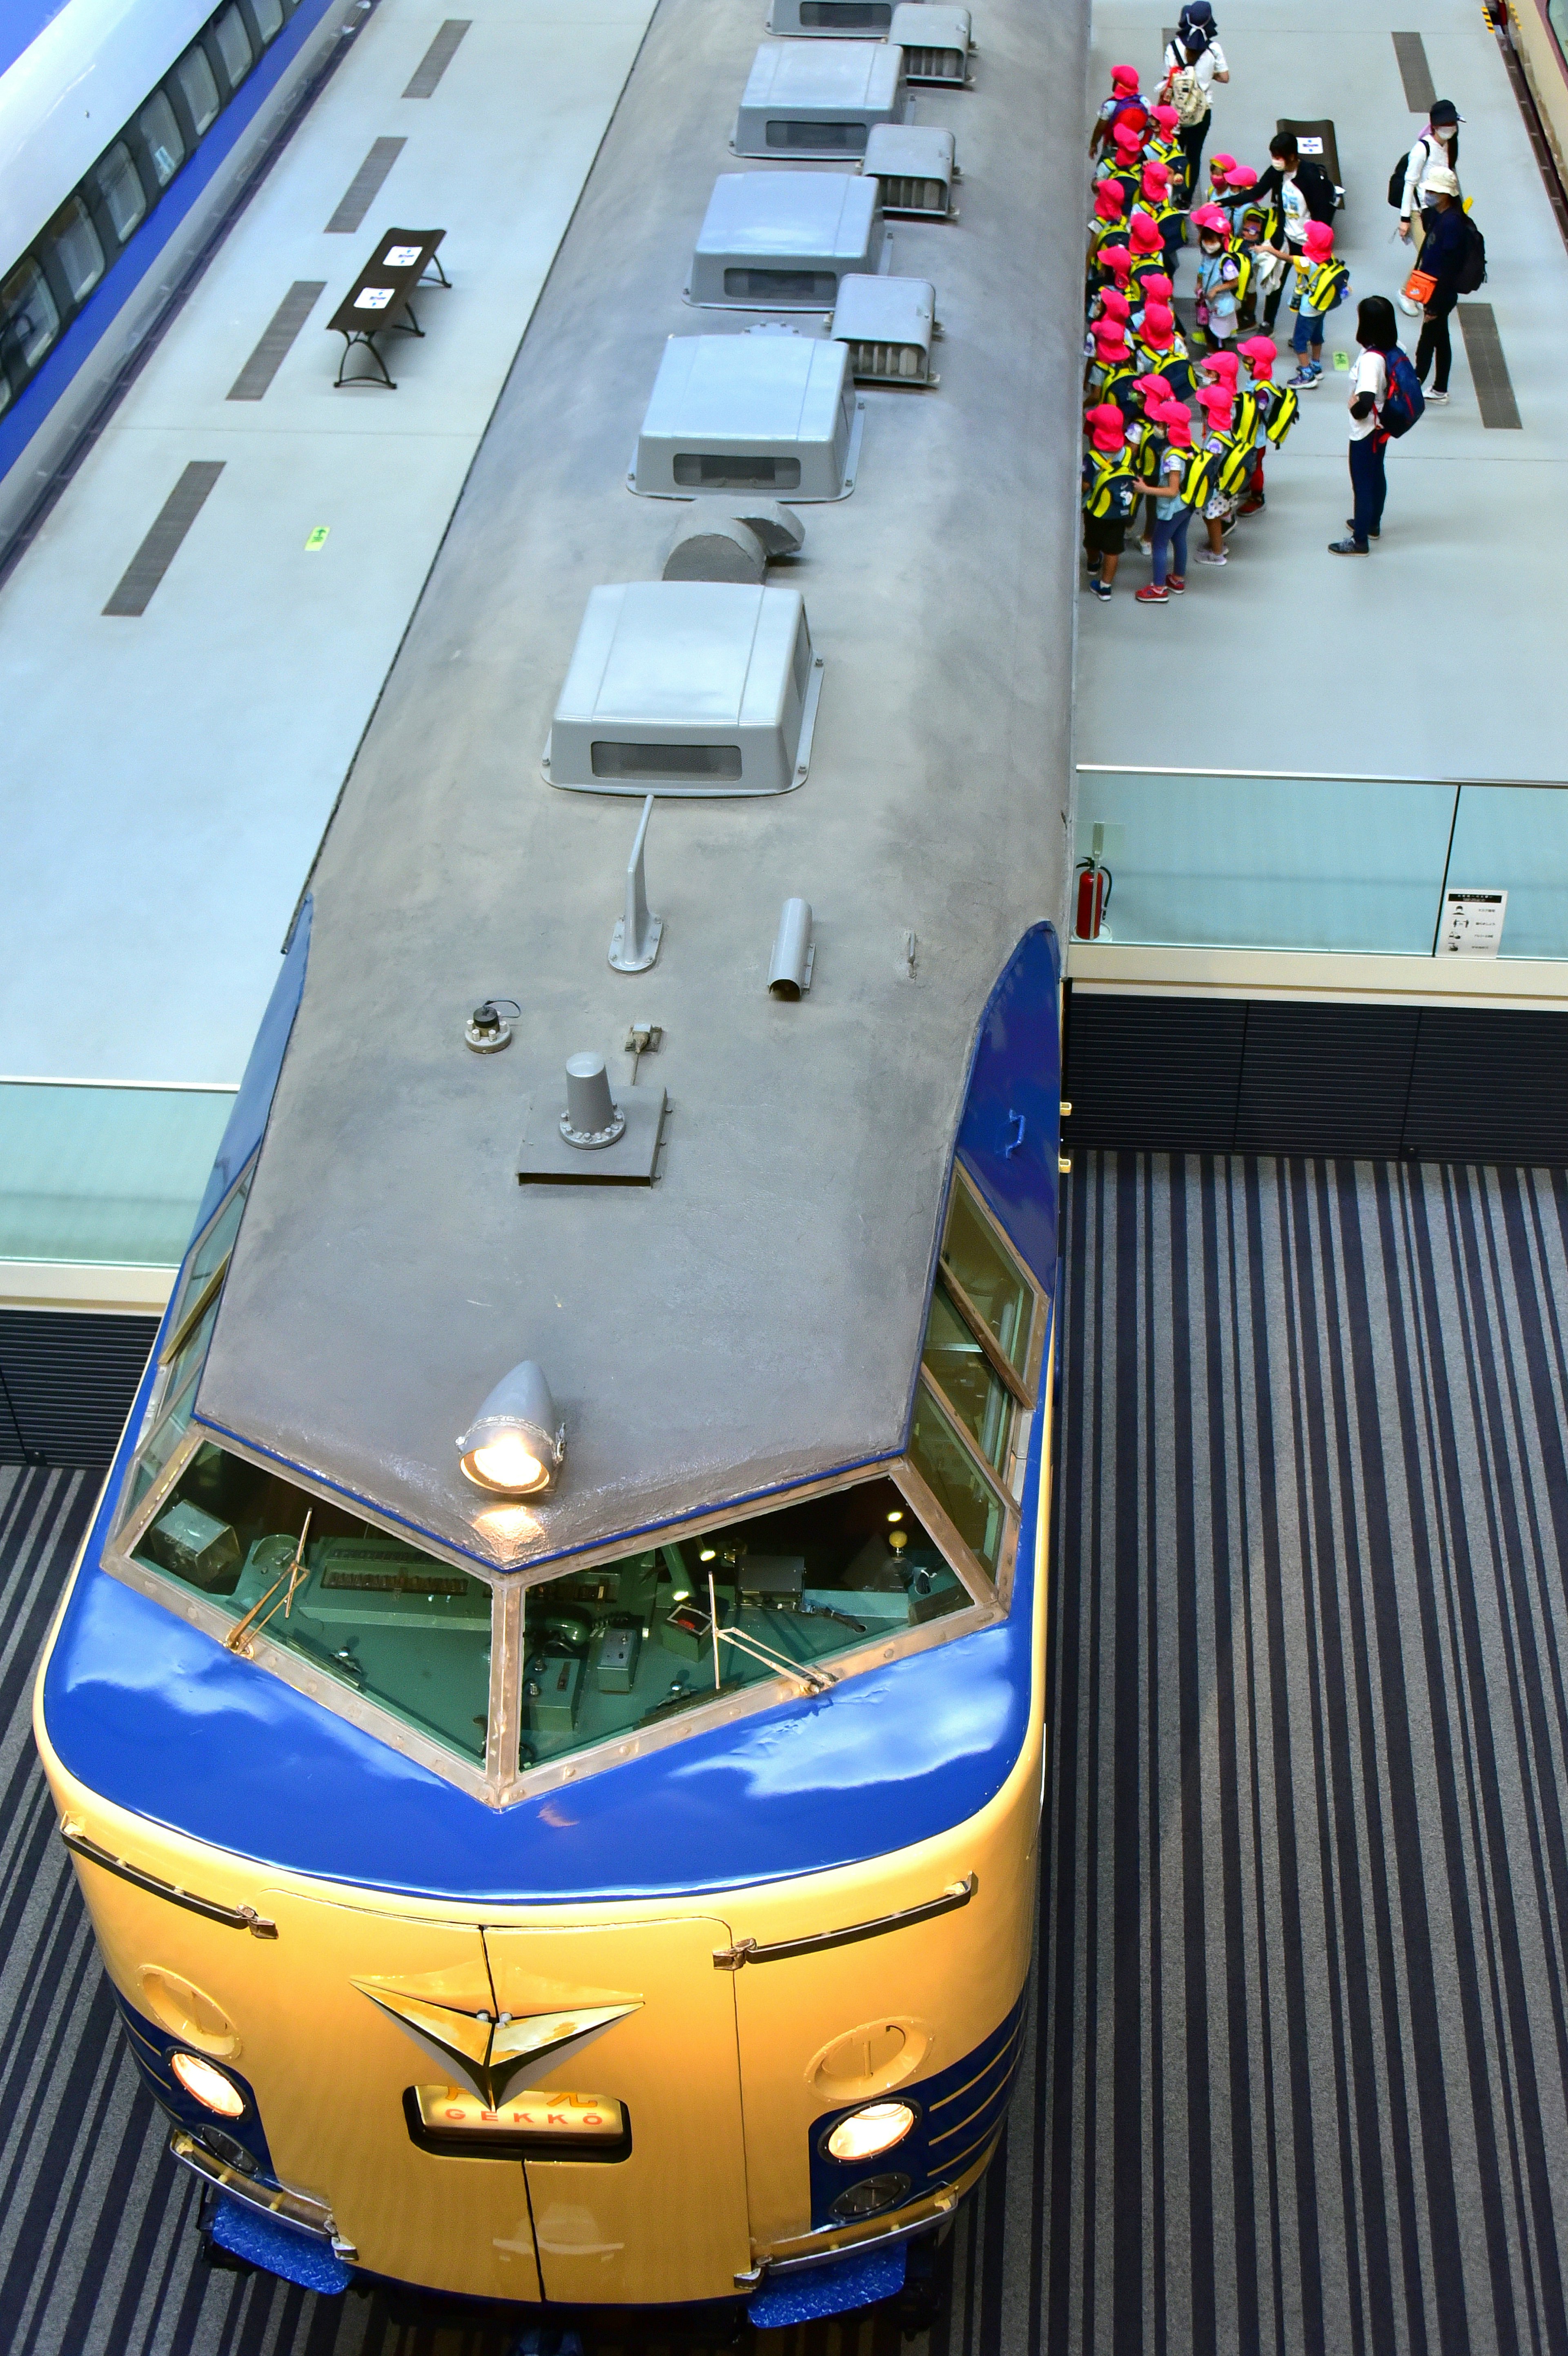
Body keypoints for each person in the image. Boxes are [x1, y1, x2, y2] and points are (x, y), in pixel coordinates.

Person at [1329, 295, 1398, 553]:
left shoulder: (1371, 360)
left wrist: (1354, 407)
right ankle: (1372, 523)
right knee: (1377, 472)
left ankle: (1360, 540)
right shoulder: (1392, 346)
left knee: (1362, 483)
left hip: (1365, 431)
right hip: (1381, 428)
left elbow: (1365, 401)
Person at [1251, 133, 1336, 329]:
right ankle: (1268, 322)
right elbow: (1256, 192)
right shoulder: (1277, 172)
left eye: (1278, 156)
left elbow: (1321, 213)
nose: (1275, 160)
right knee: (1276, 283)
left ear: (1291, 156)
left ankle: (1308, 333)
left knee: (1311, 289)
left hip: (1309, 244)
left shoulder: (1310, 176)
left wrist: (1320, 244)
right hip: (1287, 238)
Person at [1397, 99, 1462, 310]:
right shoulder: (1422, 149)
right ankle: (1406, 292)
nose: (1451, 129)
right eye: (1447, 125)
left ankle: (1425, 288)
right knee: (1425, 252)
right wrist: (1405, 219)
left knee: (1437, 251)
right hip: (1419, 211)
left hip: (1439, 210)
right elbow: (1410, 184)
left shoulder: (1449, 146)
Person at [1160, 1, 1229, 193]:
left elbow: (1167, 79)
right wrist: (1208, 74)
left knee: (1174, 153)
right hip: (1202, 112)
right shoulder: (1214, 49)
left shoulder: (1173, 48)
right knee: (1194, 155)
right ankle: (1187, 198)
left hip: (1176, 114)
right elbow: (1225, 77)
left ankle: (1170, 191)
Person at [1412, 165, 1463, 403]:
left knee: (1427, 342)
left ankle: (1413, 389)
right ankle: (1440, 388)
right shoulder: (1440, 216)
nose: (1430, 194)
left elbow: (1450, 267)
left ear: (1447, 195)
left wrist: (1434, 305)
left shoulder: (1452, 223)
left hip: (1440, 294)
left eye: (1434, 191)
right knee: (1441, 339)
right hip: (1433, 290)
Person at [1137, 403, 1197, 601]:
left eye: (1161, 424)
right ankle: (1178, 580)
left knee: (1160, 544)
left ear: (1171, 428)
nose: (1157, 427)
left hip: (1172, 509)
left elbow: (1172, 491)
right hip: (1187, 505)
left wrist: (1146, 490)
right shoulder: (1190, 447)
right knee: (1179, 540)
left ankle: (1158, 588)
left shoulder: (1173, 457)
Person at [1082, 403, 1138, 600]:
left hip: (1095, 509)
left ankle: (1093, 564)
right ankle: (1105, 586)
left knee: (1092, 540)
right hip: (1119, 510)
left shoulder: (1092, 458)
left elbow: (1086, 486)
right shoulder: (1127, 453)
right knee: (1113, 549)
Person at [1285, 220, 1348, 387]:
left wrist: (1268, 250)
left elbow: (1288, 258)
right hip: (1322, 306)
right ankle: (1316, 365)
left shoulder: (1307, 264)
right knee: (1317, 335)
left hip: (1308, 307)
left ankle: (1307, 375)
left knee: (1300, 341)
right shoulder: (1332, 259)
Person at [1194, 381, 1238, 561]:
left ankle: (1217, 554)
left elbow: (1209, 465)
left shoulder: (1215, 441)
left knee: (1211, 518)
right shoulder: (1226, 427)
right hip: (1225, 485)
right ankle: (1217, 543)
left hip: (1215, 489)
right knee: (1216, 515)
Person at [1191, 205, 1242, 347]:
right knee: (1210, 331)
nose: (1208, 244)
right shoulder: (1207, 257)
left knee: (1218, 336)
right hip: (1209, 304)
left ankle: (1217, 358)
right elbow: (1202, 270)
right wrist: (1200, 284)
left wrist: (1216, 289)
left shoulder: (1226, 261)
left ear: (1222, 240)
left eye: (1212, 241)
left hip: (1220, 305)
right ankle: (1211, 353)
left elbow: (1234, 282)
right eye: (1206, 240)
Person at [1090, 63, 1145, 160]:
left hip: (1112, 150)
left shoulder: (1110, 106)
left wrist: (1094, 144)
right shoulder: (1144, 102)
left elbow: (1100, 128)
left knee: (1102, 172)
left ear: (1117, 84)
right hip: (1133, 149)